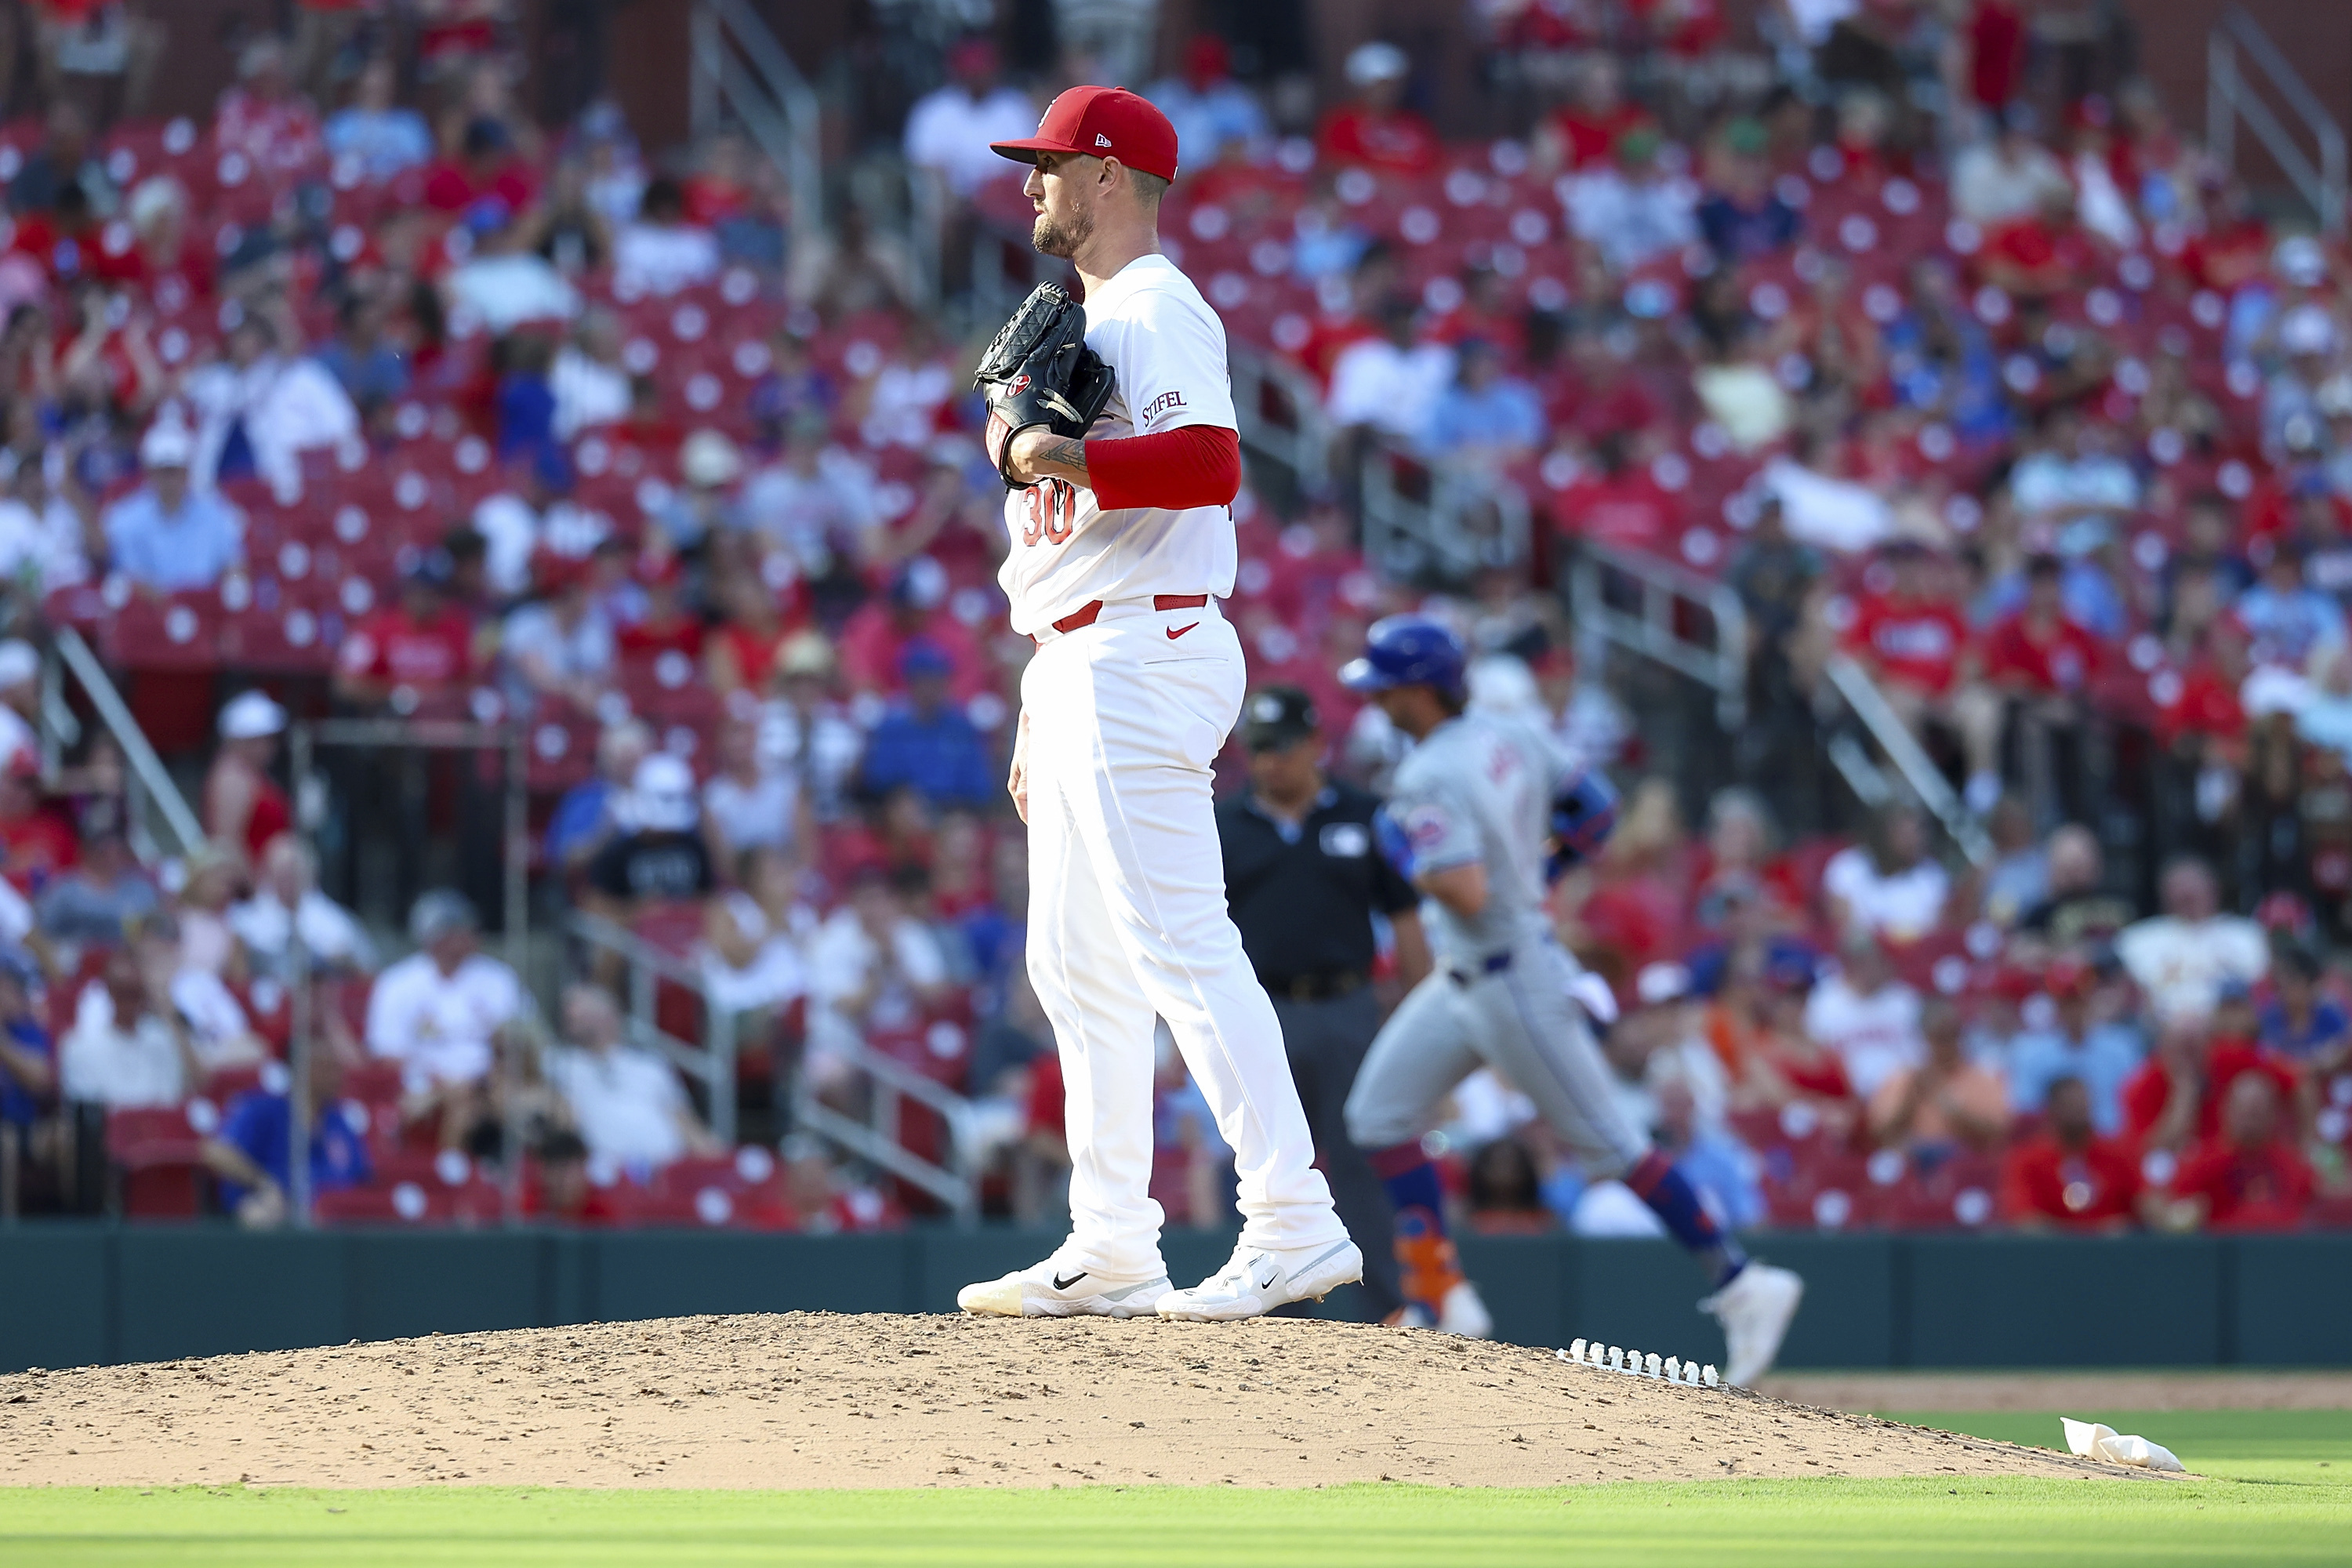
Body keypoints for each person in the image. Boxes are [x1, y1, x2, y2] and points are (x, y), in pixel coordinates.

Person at [956, 86, 1357, 1324]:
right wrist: (1039, 695)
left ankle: (1293, 1219)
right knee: (1074, 964)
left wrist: (1054, 452)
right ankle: (1114, 1238)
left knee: (1181, 944)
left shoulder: (1158, 306)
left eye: (1051, 166)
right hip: (1080, 654)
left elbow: (1210, 464)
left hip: (1146, 650)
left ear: (1110, 176)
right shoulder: (1098, 317)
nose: (1032, 187)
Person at [1334, 616, 1803, 1385]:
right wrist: (1539, 874)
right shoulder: (1512, 735)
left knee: (1612, 1145)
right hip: (1470, 968)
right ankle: (1440, 1291)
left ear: (1418, 689)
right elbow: (1595, 812)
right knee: (1379, 1113)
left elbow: (1464, 883)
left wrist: (1403, 853)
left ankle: (1742, 1282)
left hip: (1512, 974)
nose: (1378, 700)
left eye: (1385, 686)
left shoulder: (1425, 777)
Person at [1214, 688, 1431, 1326]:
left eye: (1281, 747)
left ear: (1314, 744)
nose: (1270, 762)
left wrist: (1423, 1024)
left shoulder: (1365, 816)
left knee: (1361, 1151)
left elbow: (1407, 920)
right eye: (1258, 750)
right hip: (1260, 1011)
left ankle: (1385, 1305)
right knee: (1266, 1156)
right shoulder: (1225, 825)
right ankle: (1270, 1303)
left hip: (1347, 1007)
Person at [544, 983, 720, 1173]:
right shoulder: (560, 1064)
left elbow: (687, 1125)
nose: (572, 1014)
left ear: (610, 1016)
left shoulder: (651, 1065)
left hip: (667, 1173)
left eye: (581, 1010)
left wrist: (724, 1163)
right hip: (604, 1179)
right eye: (570, 1011)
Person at [364, 891, 521, 1091]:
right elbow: (387, 1053)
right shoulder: (397, 982)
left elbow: (522, 1043)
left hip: (491, 1085)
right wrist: (438, 1080)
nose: (467, 936)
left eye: (468, 929)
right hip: (424, 1090)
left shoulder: (498, 978)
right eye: (453, 931)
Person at [201, 1051, 372, 1227]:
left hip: (332, 1223)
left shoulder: (340, 1121)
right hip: (274, 1214)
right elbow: (215, 1152)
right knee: (259, 1214)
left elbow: (361, 1178)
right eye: (325, 1066)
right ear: (299, 1069)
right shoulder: (263, 1109)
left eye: (337, 1067)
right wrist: (264, 1183)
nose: (336, 1075)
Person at [2115, 856, 2269, 1022]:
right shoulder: (2138, 938)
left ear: (2214, 889)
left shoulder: (2246, 935)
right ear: (2164, 893)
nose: (2187, 894)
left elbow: (2260, 991)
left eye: (2194, 887)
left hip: (2230, 1030)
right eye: (2179, 888)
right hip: (2157, 1032)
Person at [100, 422, 245, 593]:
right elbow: (124, 576)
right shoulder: (123, 520)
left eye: (175, 471)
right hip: (149, 612)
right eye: (164, 471)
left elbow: (235, 567)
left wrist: (232, 584)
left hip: (206, 610)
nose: (170, 480)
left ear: (186, 471)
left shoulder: (217, 515)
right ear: (150, 473)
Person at [2162, 1073, 2314, 1232]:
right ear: (2226, 1111)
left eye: (2257, 1112)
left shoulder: (2292, 1163)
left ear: (2273, 1114)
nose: (2250, 1120)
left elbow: (2314, 1202)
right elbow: (2175, 1210)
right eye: (2245, 1111)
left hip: (2283, 1248)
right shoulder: (2203, 1162)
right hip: (2225, 1251)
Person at [57, 945, 201, 1109]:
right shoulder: (79, 1045)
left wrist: (168, 1012)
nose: (131, 1003)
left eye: (136, 994)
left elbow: (199, 1084)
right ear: (110, 991)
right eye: (124, 993)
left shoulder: (163, 1038)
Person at [1866, 996, 2009, 1159]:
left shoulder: (1984, 1076)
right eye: (1939, 1037)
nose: (1948, 1045)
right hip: (1913, 1161)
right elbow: (1881, 1135)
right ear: (1924, 1038)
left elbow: (1997, 1133)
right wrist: (1911, 1098)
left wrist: (1952, 1109)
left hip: (1963, 1161)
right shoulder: (1902, 1077)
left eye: (1953, 1034)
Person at [1999, 1076, 2145, 1231]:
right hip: (2054, 1252)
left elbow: (2146, 1202)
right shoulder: (2027, 1159)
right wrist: (2088, 1233)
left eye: (2082, 1105)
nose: (2077, 1112)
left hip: (2113, 1252)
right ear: (2051, 1109)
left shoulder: (2117, 1154)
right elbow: (2025, 1220)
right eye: (2070, 1105)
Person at [583, 754, 717, 920]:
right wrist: (637, 912)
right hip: (633, 941)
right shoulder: (619, 851)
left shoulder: (693, 846)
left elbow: (711, 898)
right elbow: (595, 907)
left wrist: (680, 909)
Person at [227, 833, 373, 981]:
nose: (289, 881)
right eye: (282, 873)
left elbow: (366, 971)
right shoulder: (245, 920)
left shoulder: (337, 921)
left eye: (294, 873)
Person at [201, 691, 292, 866]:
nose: (269, 747)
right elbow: (227, 844)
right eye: (262, 740)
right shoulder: (232, 777)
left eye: (271, 740)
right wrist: (254, 890)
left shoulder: (253, 774)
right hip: (251, 885)